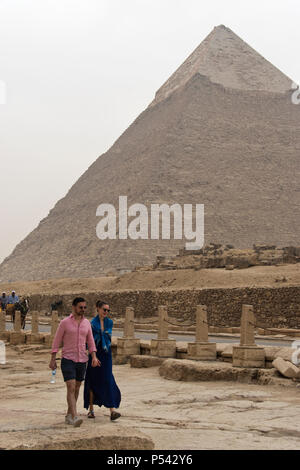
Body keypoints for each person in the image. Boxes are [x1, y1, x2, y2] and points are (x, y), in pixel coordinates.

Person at [49, 297, 100, 427]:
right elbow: (57, 341)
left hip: (82, 359)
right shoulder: (64, 323)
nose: (83, 310)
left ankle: (69, 414)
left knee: (76, 388)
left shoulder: (87, 323)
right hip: (68, 359)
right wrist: (53, 358)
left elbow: (90, 341)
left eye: (84, 307)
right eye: (80, 307)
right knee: (70, 386)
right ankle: (74, 416)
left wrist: (94, 356)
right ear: (73, 307)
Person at [84, 301, 121, 420]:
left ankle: (112, 410)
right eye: (104, 309)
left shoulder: (109, 322)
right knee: (92, 380)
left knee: (108, 379)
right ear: (98, 309)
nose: (106, 312)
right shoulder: (91, 324)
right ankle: (91, 410)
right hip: (94, 352)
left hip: (106, 353)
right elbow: (89, 340)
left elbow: (106, 336)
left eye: (108, 310)